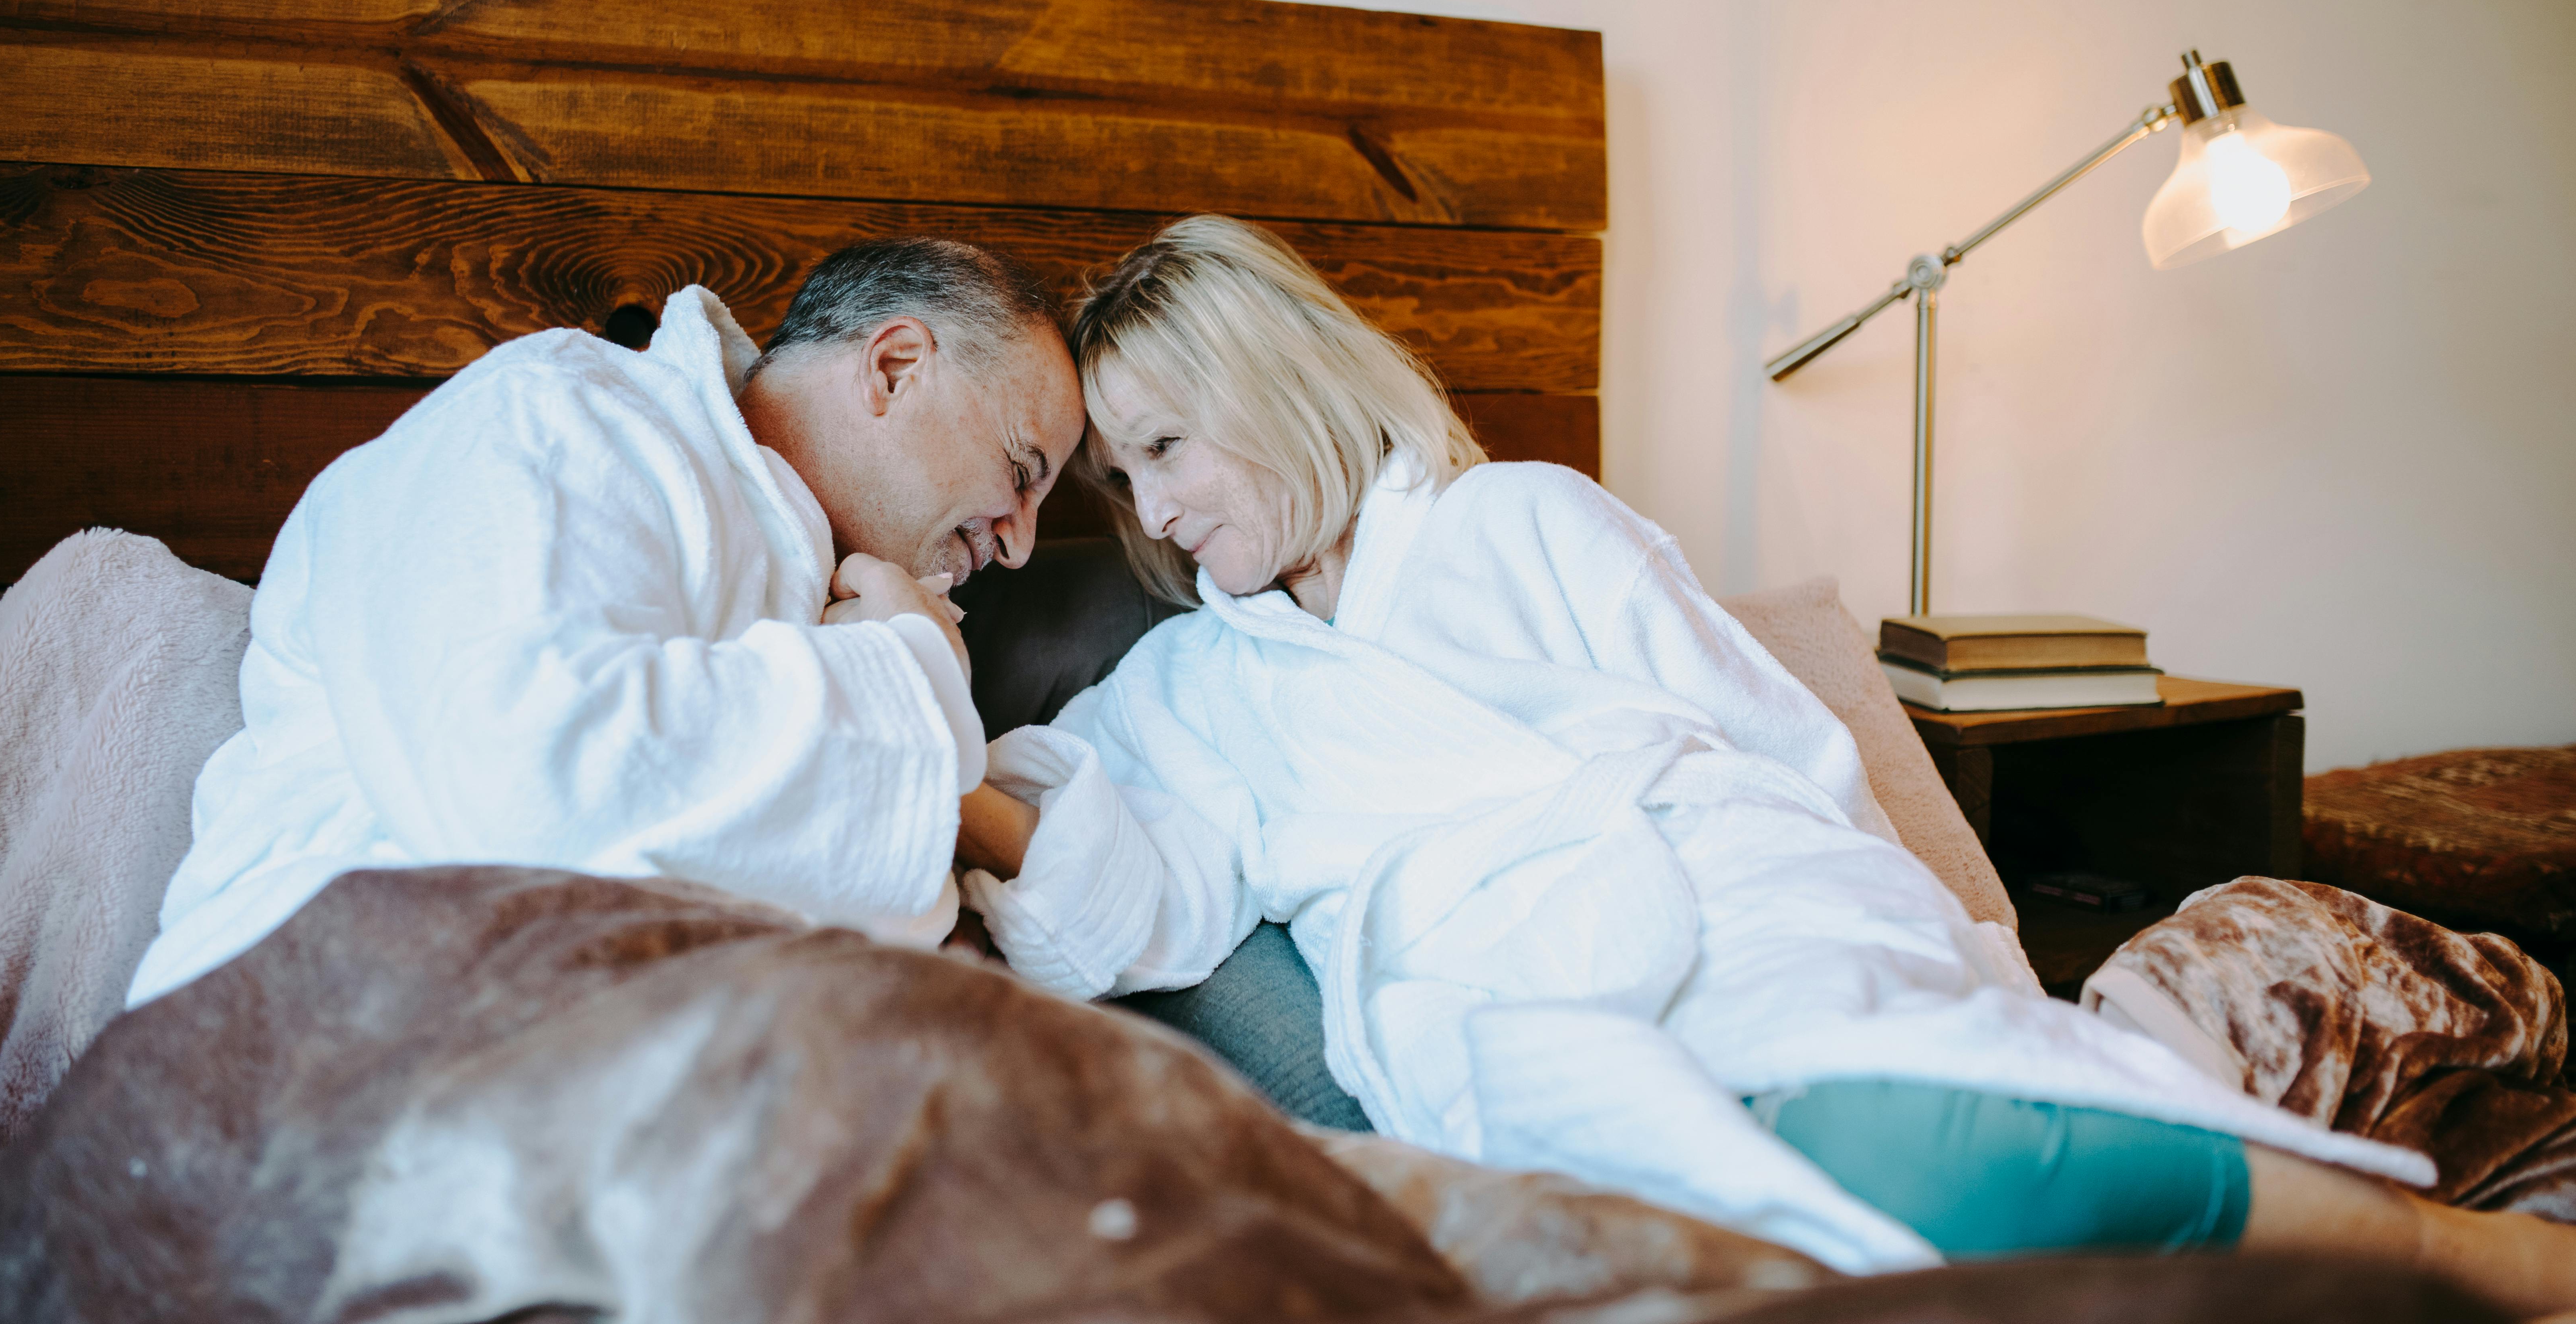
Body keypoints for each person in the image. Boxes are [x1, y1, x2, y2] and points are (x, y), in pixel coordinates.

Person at [959, 215, 2576, 1314]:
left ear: (1272, 388)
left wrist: (1963, 955)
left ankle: (2471, 1267)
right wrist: (915, 719)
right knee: (1841, 1186)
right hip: (1512, 990)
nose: (1151, 516)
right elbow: (1117, 890)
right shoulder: (1192, 681)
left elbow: (1790, 754)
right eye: (1117, 483)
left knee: (1921, 1144)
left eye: (1163, 450)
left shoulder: (1526, 519)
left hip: (1737, 897)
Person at [127, 239, 1082, 1008]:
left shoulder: (818, 582)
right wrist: (906, 670)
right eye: (1022, 469)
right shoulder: (561, 415)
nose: (1020, 545)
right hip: (324, 1008)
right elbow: (535, 773)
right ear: (897, 368)